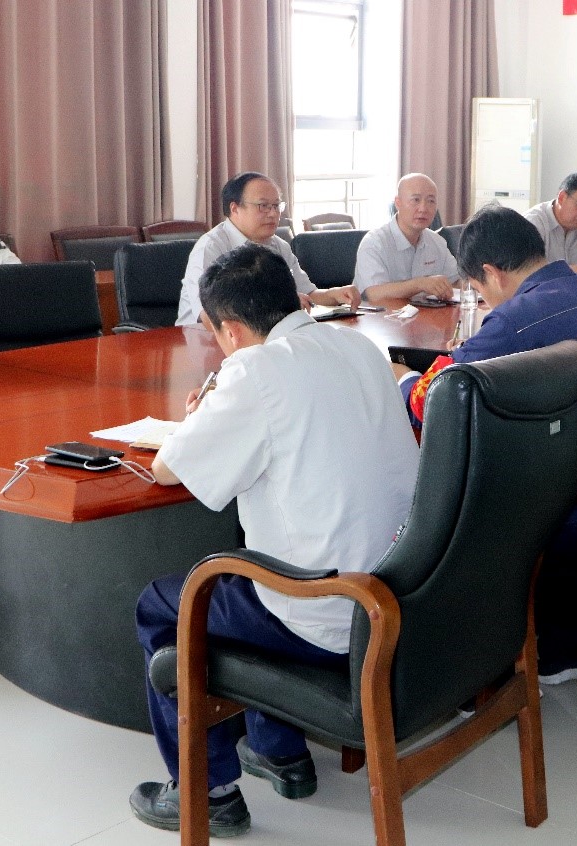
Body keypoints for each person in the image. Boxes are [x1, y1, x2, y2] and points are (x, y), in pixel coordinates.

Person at [131, 244, 418, 836]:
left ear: (231, 330)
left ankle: (207, 790)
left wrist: (200, 419)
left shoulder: (254, 370)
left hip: (325, 613)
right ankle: (278, 750)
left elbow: (167, 468)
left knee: (164, 605)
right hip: (397, 595)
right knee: (257, 570)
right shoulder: (359, 347)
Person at [392, 205, 577, 685]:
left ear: (491, 272)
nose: (486, 301)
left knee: (436, 500)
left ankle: (476, 662)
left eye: (479, 289)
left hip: (563, 507)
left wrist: (403, 379)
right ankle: (572, 644)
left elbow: (439, 399)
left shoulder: (515, 321)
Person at [175, 172, 360, 326]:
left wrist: (335, 294)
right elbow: (211, 318)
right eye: (263, 206)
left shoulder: (279, 246)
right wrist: (279, 303)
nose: (273, 213)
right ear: (235, 208)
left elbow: (308, 294)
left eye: (276, 206)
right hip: (201, 340)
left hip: (264, 337)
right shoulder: (211, 248)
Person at [352, 173, 458, 301]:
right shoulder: (374, 243)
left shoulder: (437, 242)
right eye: (415, 200)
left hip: (426, 313)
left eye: (431, 201)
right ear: (398, 203)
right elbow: (373, 293)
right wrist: (420, 284)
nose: (423, 208)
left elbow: (456, 281)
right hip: (381, 313)